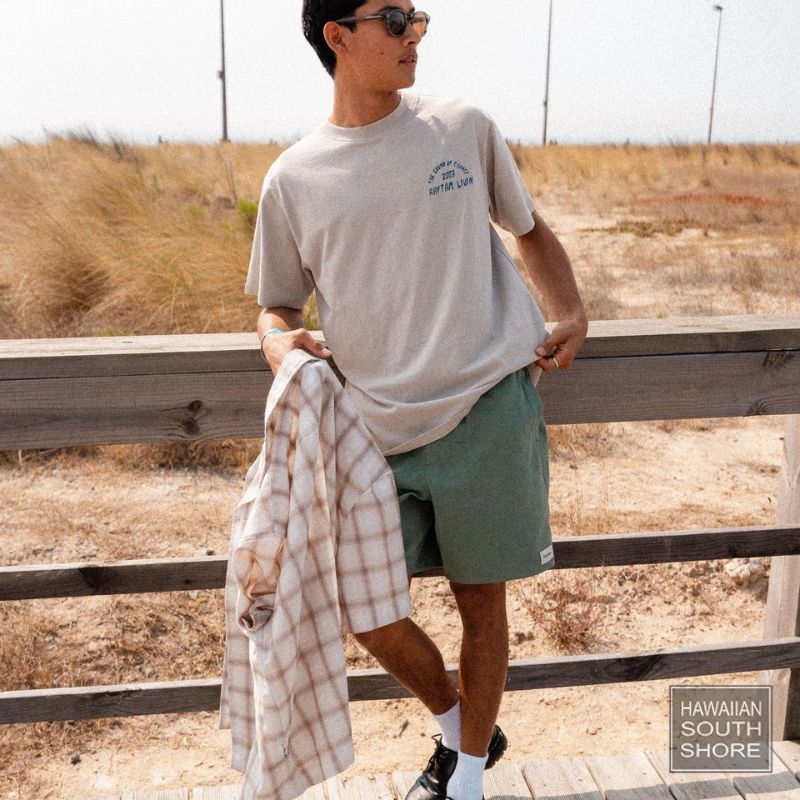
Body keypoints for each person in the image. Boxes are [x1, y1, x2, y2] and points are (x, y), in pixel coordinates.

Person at [247, 3, 588, 799]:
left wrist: (571, 310)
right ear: (337, 36)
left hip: (486, 406)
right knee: (364, 608)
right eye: (394, 19)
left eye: (418, 18)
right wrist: (276, 344)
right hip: (372, 432)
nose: (415, 35)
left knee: (482, 605)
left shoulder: (461, 127)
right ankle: (463, 726)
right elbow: (277, 305)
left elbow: (528, 229)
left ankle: (465, 778)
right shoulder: (293, 178)